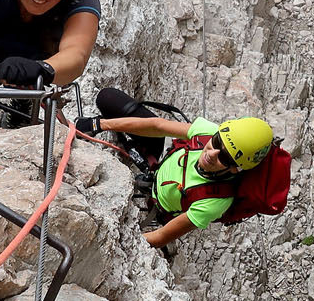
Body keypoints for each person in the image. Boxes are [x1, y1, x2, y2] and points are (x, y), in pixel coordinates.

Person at [77, 88, 275, 249]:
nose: (211, 153)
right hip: (155, 161)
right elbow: (158, 126)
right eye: (216, 142)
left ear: (236, 169)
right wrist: (97, 124)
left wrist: (119, 243)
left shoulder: (214, 200)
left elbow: (161, 237)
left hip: (157, 207)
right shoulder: (210, 133)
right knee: (108, 97)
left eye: (224, 157)